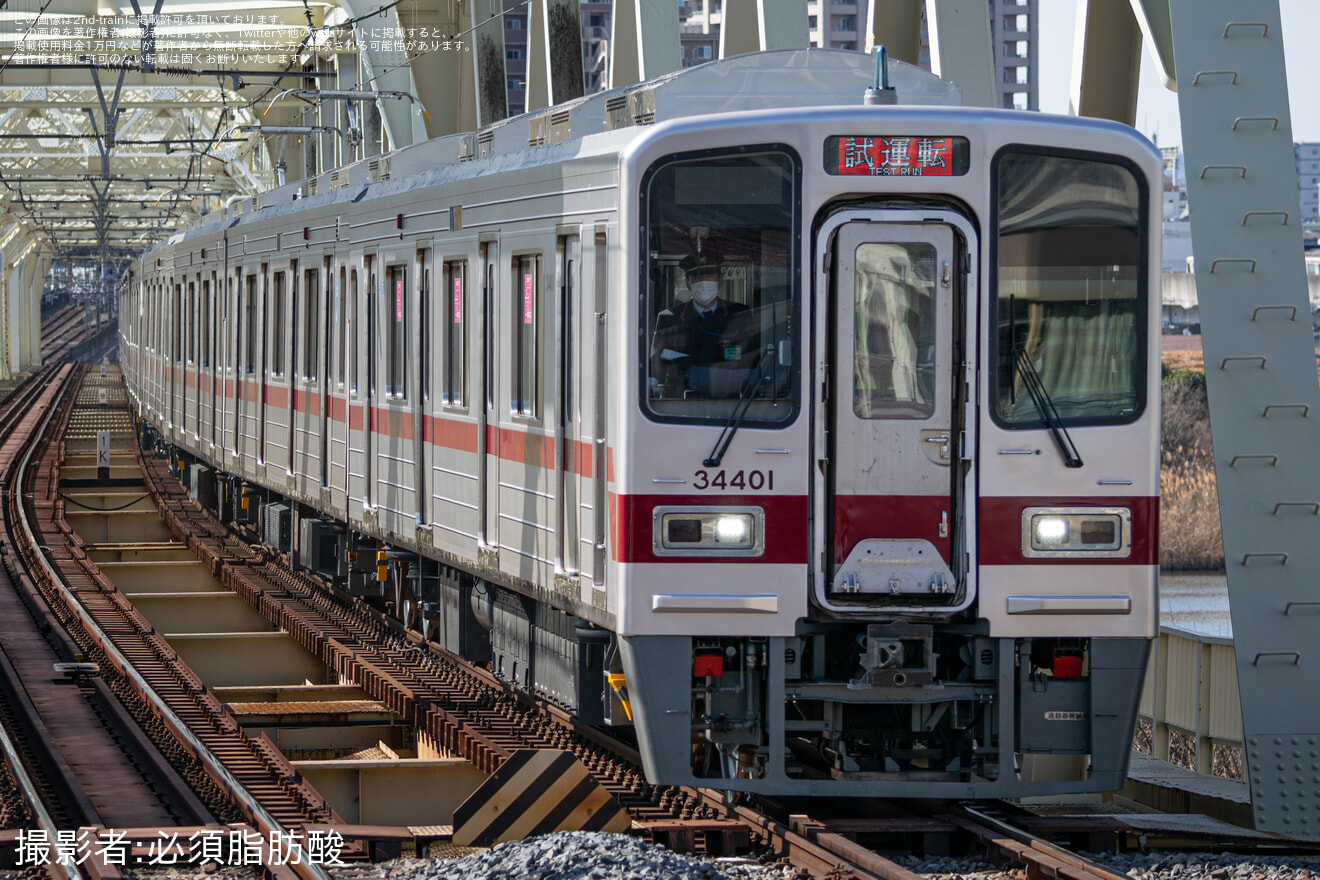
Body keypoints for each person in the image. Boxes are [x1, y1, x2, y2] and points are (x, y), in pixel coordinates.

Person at [651, 250, 755, 398]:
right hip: (681, 399)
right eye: (697, 277)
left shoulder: (739, 314)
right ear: (688, 283)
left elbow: (751, 357)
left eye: (709, 276)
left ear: (720, 281)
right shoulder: (668, 318)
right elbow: (656, 366)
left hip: (729, 399)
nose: (703, 281)